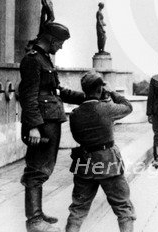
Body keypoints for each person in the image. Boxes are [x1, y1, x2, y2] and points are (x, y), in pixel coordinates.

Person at [19, 22, 85, 232]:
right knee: (36, 169)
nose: (61, 47)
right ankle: (34, 220)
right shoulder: (32, 60)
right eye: (61, 43)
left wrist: (87, 97)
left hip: (50, 121)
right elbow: (28, 97)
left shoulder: (43, 58)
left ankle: (37, 213)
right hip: (42, 123)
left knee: (43, 168)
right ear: (50, 39)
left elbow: (56, 91)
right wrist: (34, 127)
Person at [65, 72, 135, 232]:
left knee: (77, 210)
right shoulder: (107, 109)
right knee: (124, 209)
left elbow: (77, 136)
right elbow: (128, 107)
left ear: (84, 90)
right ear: (100, 90)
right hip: (108, 163)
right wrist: (111, 92)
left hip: (84, 164)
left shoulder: (75, 114)